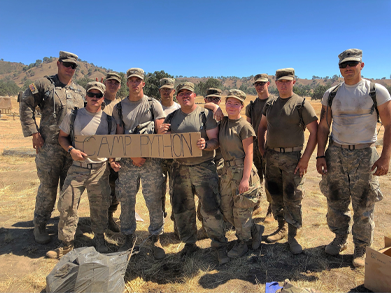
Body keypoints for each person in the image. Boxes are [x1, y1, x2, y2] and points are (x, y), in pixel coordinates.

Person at [316, 49, 391, 267]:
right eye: (343, 65)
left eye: (352, 63)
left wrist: (385, 158)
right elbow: (323, 126)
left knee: (364, 203)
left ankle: (361, 247)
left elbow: (389, 125)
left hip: (365, 153)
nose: (348, 68)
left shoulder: (377, 91)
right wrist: (321, 154)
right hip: (336, 152)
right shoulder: (331, 93)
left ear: (362, 65)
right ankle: (340, 238)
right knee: (335, 199)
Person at [158, 82, 229, 265]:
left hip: (203, 167)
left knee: (211, 208)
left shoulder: (206, 115)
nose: (185, 96)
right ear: (177, 97)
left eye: (188, 93)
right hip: (179, 169)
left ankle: (219, 245)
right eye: (181, 93)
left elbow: (215, 141)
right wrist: (162, 134)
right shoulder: (172, 117)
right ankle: (189, 244)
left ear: (194, 95)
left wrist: (207, 144)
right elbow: (164, 144)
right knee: (182, 209)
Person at [19, 51, 85, 244]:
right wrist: (33, 132)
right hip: (48, 148)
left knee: (69, 190)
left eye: (73, 66)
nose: (69, 68)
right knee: (48, 188)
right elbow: (26, 104)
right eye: (66, 64)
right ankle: (39, 225)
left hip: (71, 150)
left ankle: (64, 229)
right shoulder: (44, 85)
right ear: (58, 63)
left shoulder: (80, 91)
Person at [46, 81, 115, 259]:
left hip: (100, 169)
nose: (94, 98)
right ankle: (66, 244)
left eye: (98, 95)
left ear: (102, 98)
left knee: (100, 207)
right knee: (67, 204)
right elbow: (62, 137)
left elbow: (114, 145)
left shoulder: (109, 120)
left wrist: (113, 161)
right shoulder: (73, 115)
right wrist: (71, 150)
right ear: (85, 96)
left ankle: (99, 239)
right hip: (77, 168)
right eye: (91, 94)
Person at [258, 68, 318, 254]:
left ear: (293, 82)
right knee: (275, 195)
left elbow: (315, 132)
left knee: (293, 197)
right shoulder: (270, 104)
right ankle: (281, 227)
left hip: (293, 159)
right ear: (275, 83)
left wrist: (305, 159)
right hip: (272, 157)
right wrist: (261, 149)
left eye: (287, 81)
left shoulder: (301, 104)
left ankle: (293, 236)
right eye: (280, 81)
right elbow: (261, 127)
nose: (283, 84)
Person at [111, 68, 166, 260]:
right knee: (126, 200)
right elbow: (118, 136)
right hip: (127, 162)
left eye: (138, 80)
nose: (135, 84)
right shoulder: (118, 107)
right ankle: (127, 237)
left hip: (151, 161)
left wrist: (143, 154)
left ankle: (156, 236)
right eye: (131, 80)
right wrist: (123, 158)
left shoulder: (153, 104)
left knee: (154, 200)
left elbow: (160, 134)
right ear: (127, 83)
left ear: (143, 83)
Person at [219, 89, 264, 258]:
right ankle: (254, 230)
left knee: (241, 211)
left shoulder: (244, 126)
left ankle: (243, 242)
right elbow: (209, 105)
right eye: (228, 102)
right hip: (227, 172)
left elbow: (249, 154)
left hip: (243, 171)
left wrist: (245, 179)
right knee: (226, 209)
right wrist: (215, 108)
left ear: (242, 106)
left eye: (236, 103)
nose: (231, 106)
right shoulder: (223, 122)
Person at [246, 74, 274, 222]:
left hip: (270, 146)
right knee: (255, 178)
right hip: (255, 146)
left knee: (270, 178)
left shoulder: (275, 102)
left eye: (262, 83)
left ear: (268, 84)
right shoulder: (251, 106)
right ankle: (257, 205)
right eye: (257, 84)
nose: (259, 86)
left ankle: (272, 210)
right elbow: (248, 127)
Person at [102, 72, 122, 233]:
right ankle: (99, 219)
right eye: (110, 82)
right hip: (97, 153)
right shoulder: (95, 100)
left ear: (119, 86)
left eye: (116, 83)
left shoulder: (120, 106)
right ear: (104, 82)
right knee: (98, 188)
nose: (113, 85)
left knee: (114, 187)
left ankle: (109, 217)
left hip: (114, 153)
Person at [158, 77, 179, 220]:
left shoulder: (179, 108)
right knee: (158, 190)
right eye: (163, 89)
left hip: (175, 156)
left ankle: (176, 219)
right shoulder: (153, 107)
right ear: (159, 91)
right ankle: (160, 219)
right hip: (158, 155)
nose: (166, 92)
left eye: (169, 89)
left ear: (174, 91)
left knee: (176, 189)